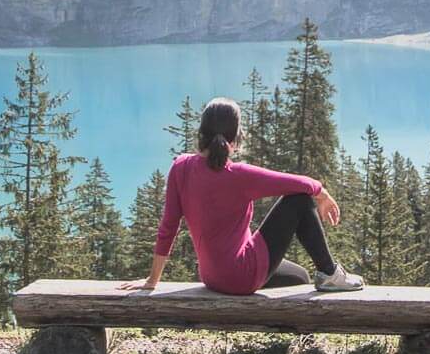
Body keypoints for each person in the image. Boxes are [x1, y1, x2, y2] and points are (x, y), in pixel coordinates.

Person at [118, 96, 364, 295]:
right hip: (241, 276)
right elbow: (300, 184)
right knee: (299, 201)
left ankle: (320, 282)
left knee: (299, 277)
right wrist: (322, 193)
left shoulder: (180, 167)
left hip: (212, 277)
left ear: (201, 133)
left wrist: (152, 280)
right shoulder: (238, 174)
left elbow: (168, 227)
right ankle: (331, 273)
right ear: (235, 138)